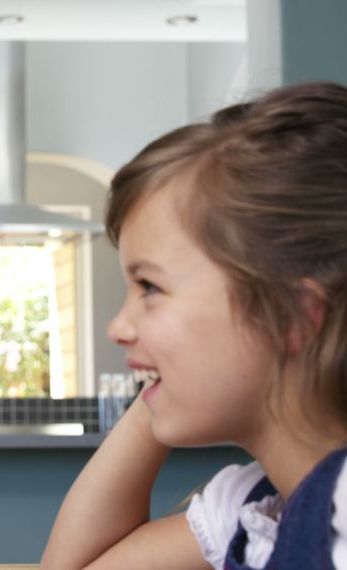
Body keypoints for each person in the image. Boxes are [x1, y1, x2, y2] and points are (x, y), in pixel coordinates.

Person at [40, 81, 347, 569]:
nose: (118, 327)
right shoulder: (256, 509)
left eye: (150, 288)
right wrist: (160, 379)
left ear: (290, 315)